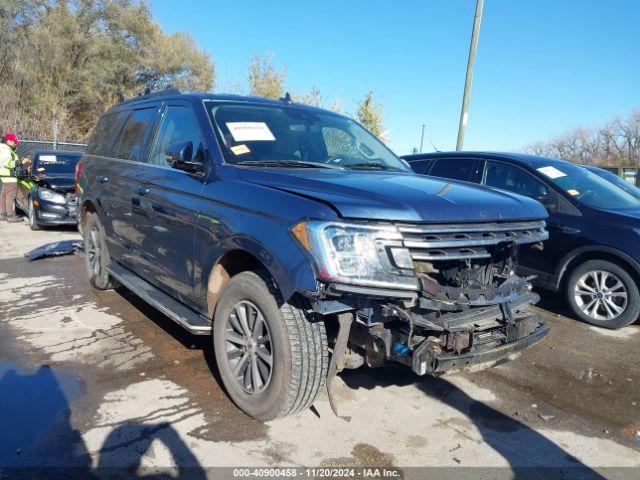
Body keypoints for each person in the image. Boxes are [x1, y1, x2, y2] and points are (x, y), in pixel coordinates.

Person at [0, 133, 30, 222]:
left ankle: (2, 214)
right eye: (14, 142)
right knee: (10, 196)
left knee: (4, 195)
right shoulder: (5, 149)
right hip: (10, 176)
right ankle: (10, 216)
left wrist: (19, 160)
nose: (16, 143)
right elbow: (7, 163)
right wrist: (21, 162)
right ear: (8, 141)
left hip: (5, 175)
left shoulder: (4, 148)